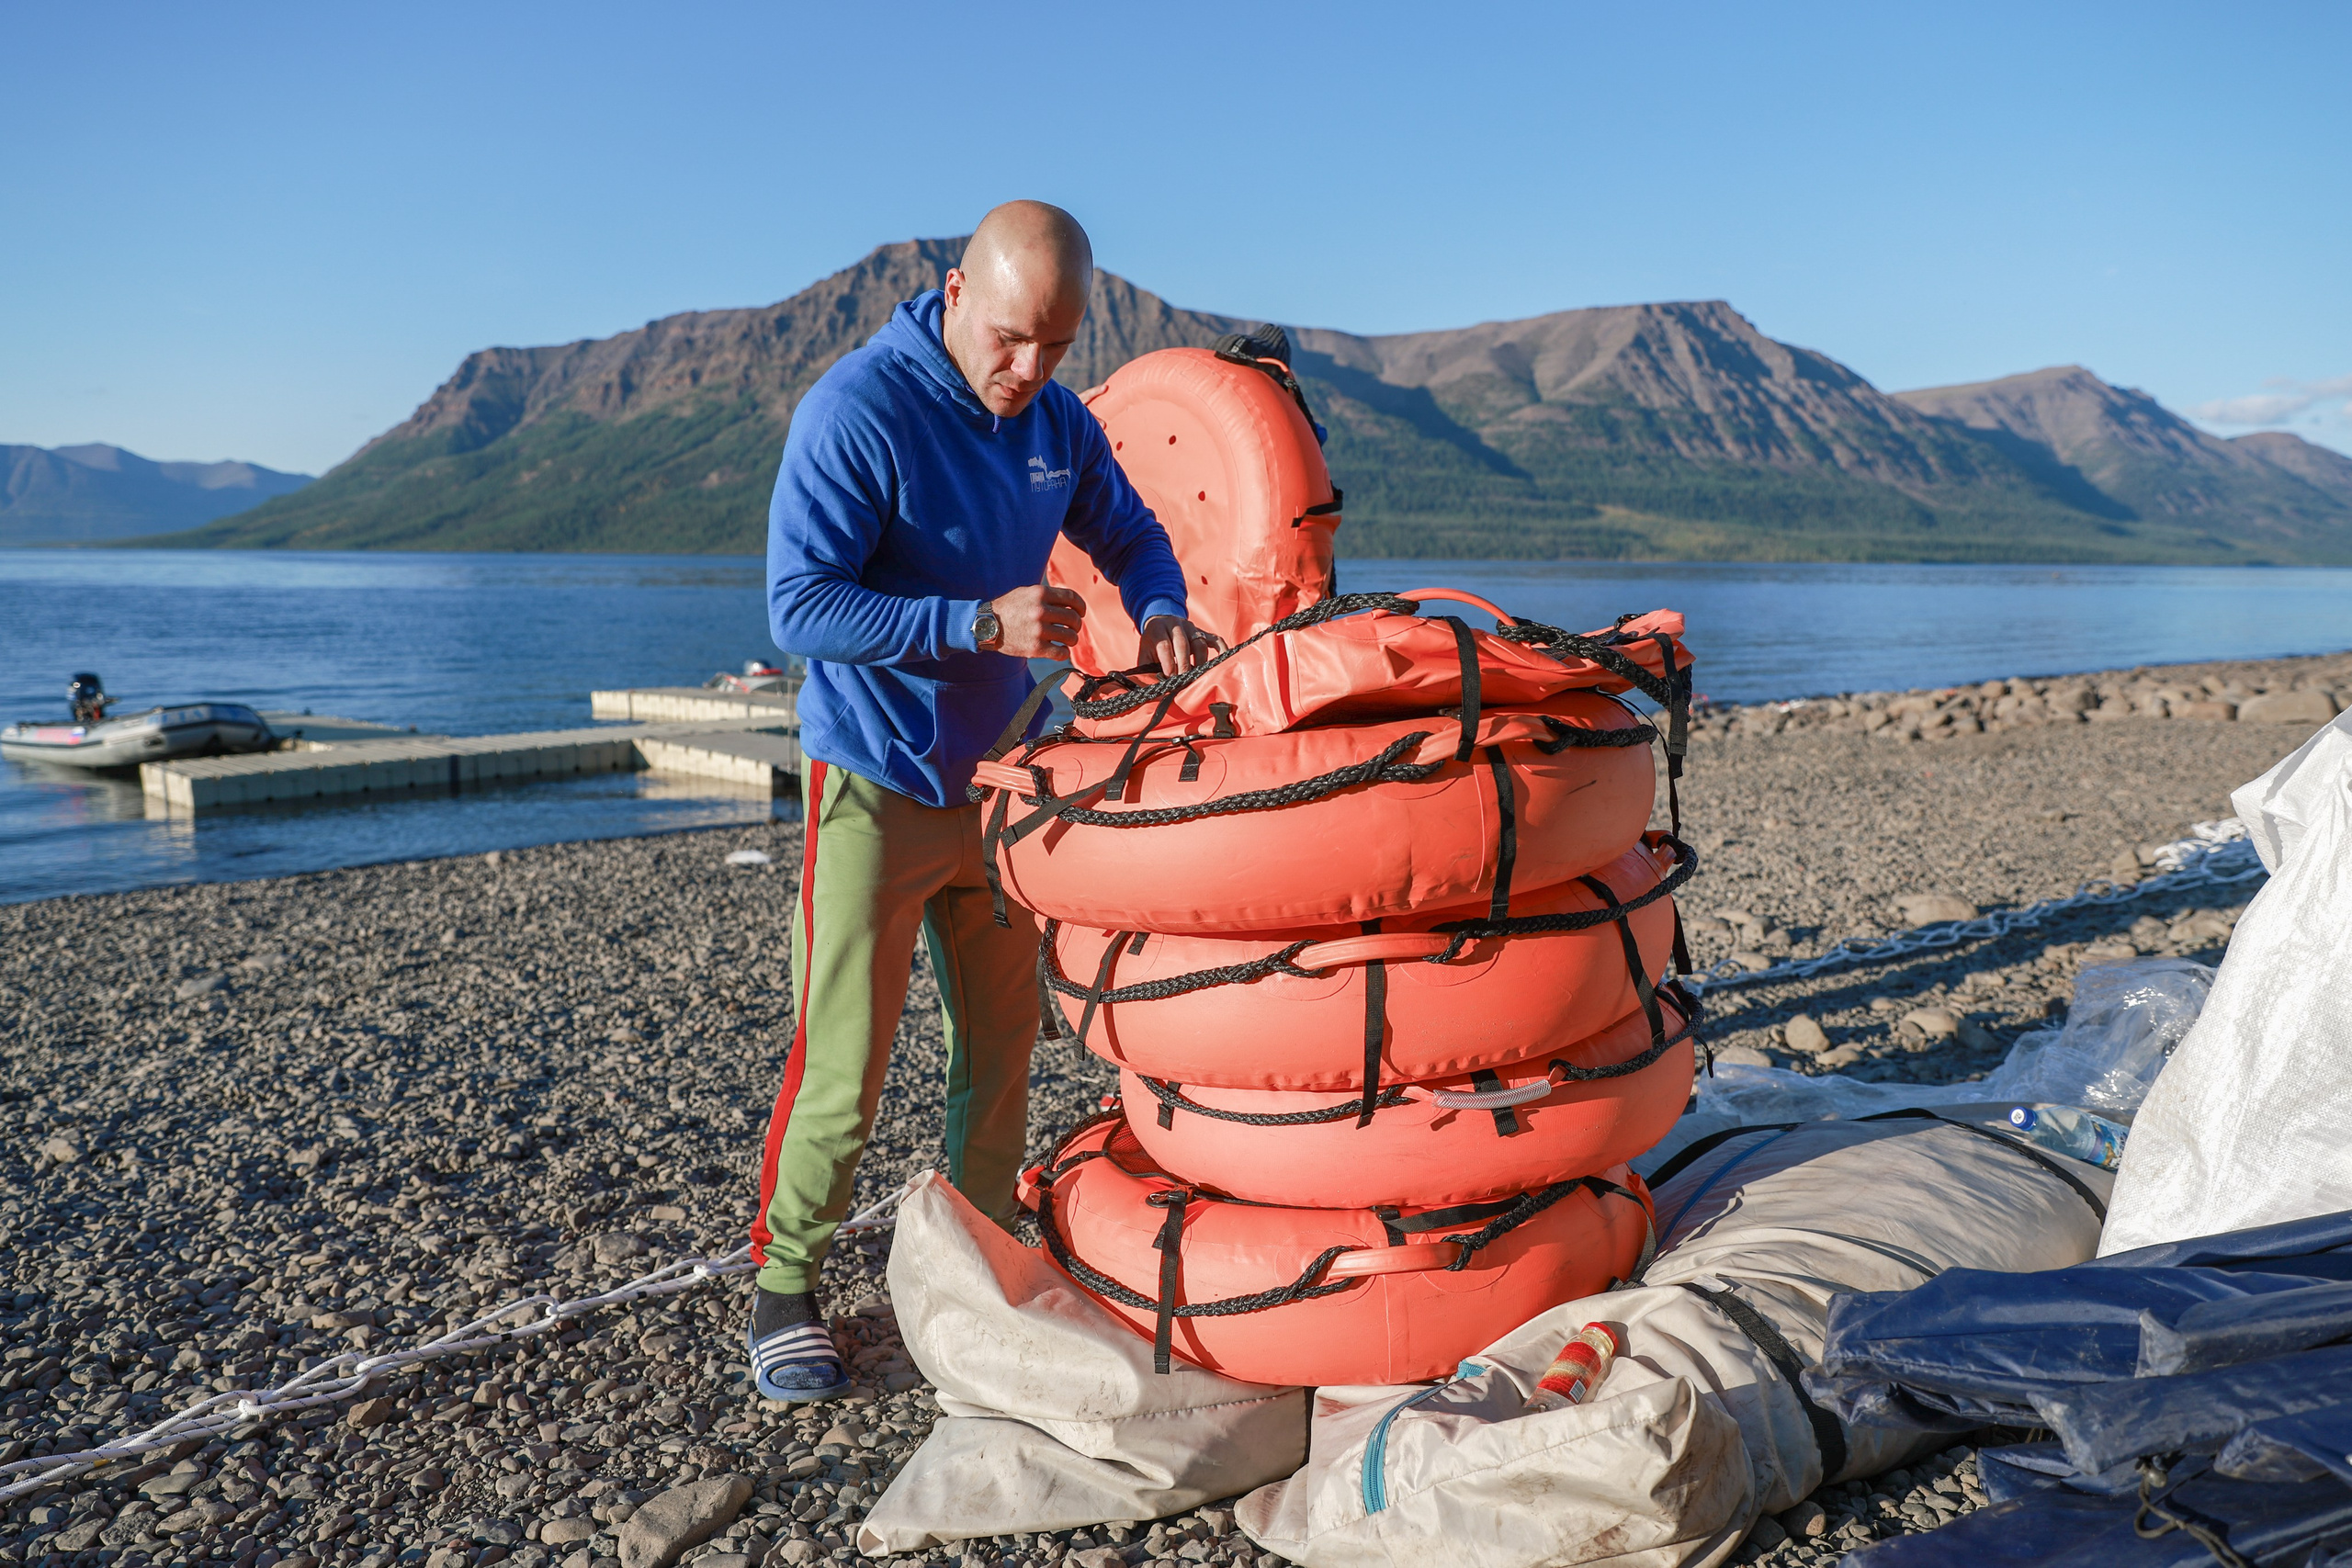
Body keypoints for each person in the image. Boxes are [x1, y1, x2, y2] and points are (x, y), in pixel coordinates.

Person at [746, 200, 1220, 1401]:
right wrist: (971, 624)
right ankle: (784, 1281)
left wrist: (1160, 605)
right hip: (873, 781)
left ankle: (979, 1261)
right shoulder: (857, 412)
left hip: (1004, 780)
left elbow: (1131, 532)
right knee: (842, 1065)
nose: (1031, 370)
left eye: (1057, 347)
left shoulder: (1057, 422)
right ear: (956, 295)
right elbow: (798, 607)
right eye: (1011, 338)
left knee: (1002, 1050)